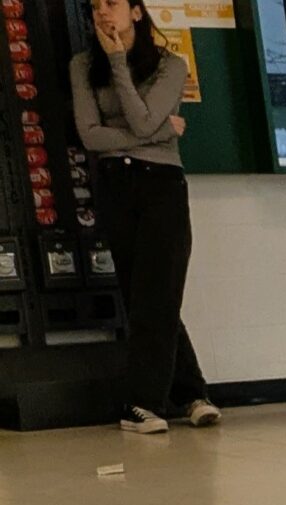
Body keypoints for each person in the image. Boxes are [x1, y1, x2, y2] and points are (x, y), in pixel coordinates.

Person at [70, 0, 215, 435]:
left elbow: (141, 116)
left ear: (136, 13)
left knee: (160, 290)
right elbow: (91, 135)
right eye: (95, 6)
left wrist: (118, 62)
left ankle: (142, 403)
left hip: (162, 185)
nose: (102, 13)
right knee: (145, 296)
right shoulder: (81, 65)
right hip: (117, 185)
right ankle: (192, 394)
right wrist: (159, 129)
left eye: (111, 4)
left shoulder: (171, 65)